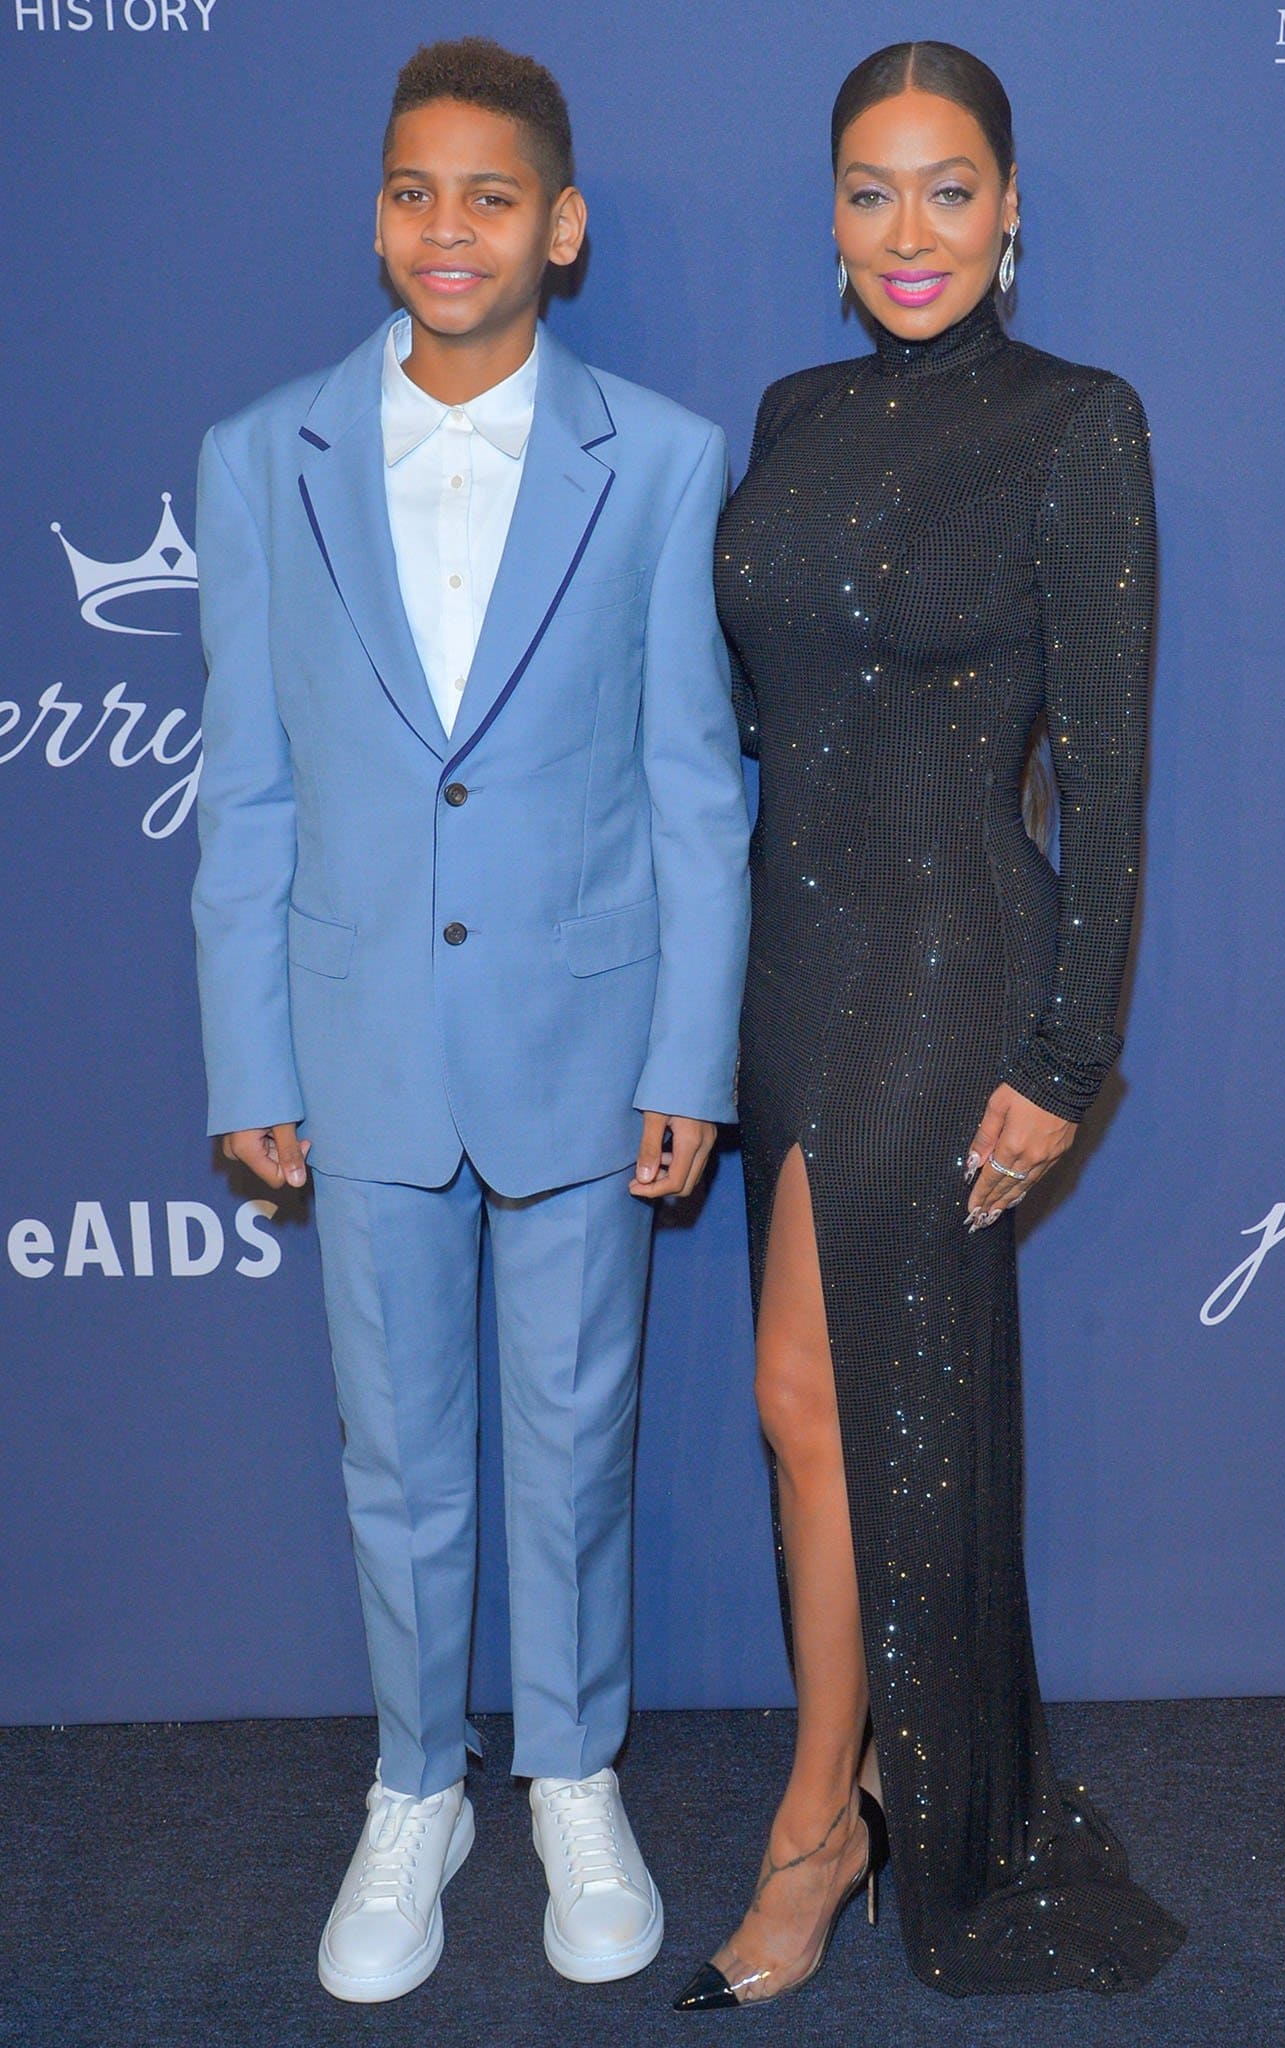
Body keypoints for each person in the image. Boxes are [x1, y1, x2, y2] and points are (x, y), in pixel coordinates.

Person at [191, 36, 749, 2004]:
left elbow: (695, 781)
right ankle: (416, 1782)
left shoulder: (665, 462)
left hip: (585, 1046)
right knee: (401, 1448)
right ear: (377, 220)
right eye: (417, 193)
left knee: (575, 1425)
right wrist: (250, 1051)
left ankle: (572, 1771)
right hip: (355, 1045)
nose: (452, 227)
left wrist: (689, 1052)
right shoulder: (265, 457)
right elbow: (247, 784)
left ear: (561, 226)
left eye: (492, 196)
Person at [675, 40, 1185, 2010]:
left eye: (950, 187)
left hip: (958, 956)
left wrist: (1066, 1059)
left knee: (832, 1397)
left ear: (1013, 205)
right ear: (829, 217)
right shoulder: (794, 411)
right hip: (792, 969)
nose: (912, 231)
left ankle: (823, 1815)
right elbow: (753, 707)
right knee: (805, 1404)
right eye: (873, 191)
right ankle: (883, 1761)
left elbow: (1114, 780)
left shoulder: (1079, 425)